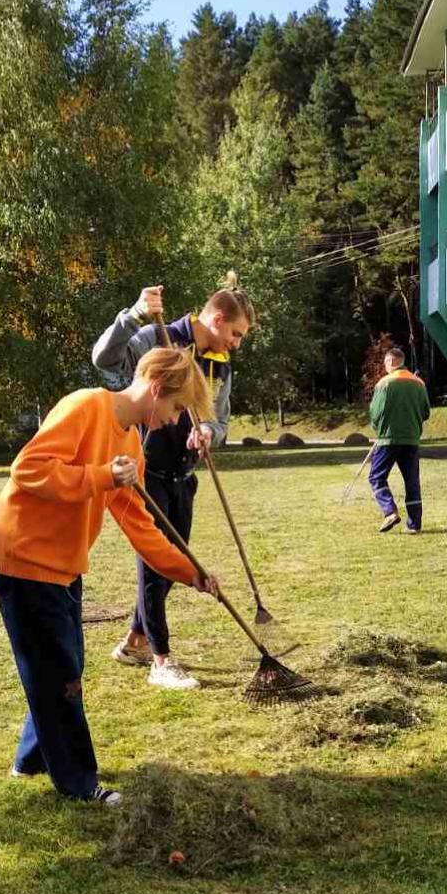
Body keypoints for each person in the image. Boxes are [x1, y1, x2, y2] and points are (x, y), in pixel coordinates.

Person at [0, 347, 220, 807]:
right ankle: (78, 783)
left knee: (59, 665)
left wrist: (191, 573)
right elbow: (28, 470)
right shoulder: (85, 406)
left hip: (63, 562)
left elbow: (142, 528)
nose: (174, 422)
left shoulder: (131, 444)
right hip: (23, 554)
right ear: (156, 390)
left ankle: (30, 760)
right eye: (175, 408)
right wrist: (100, 476)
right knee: (61, 671)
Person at [92, 280, 254, 690]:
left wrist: (208, 432)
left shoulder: (221, 365)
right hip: (147, 475)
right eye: (235, 333)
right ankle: (160, 661)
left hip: (185, 476)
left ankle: (135, 640)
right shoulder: (156, 337)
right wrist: (133, 315)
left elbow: (220, 420)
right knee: (153, 564)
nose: (236, 343)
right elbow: (104, 359)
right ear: (217, 319)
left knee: (170, 568)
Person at [367, 345, 430, 534]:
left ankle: (389, 511)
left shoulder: (384, 384)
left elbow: (375, 413)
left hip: (388, 439)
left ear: (389, 362)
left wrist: (377, 429)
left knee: (376, 477)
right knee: (412, 482)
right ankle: (414, 524)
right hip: (411, 440)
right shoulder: (419, 383)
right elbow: (426, 412)